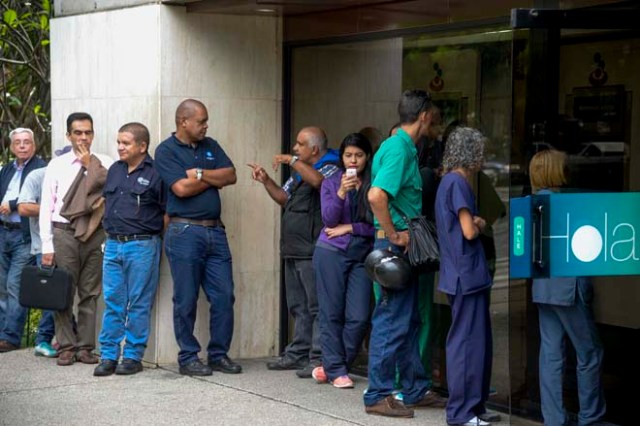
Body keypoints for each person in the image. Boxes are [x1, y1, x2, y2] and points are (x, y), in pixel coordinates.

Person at [364, 89, 446, 418]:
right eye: (433, 117)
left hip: (399, 247)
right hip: (394, 247)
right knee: (391, 320)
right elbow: (376, 196)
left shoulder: (403, 146)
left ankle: (413, 388)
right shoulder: (398, 148)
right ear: (424, 115)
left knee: (409, 320)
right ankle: (378, 395)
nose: (434, 123)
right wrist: (394, 233)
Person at [154, 99, 241, 377]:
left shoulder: (211, 145)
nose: (205, 126)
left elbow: (231, 175)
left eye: (206, 121)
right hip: (184, 232)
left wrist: (201, 174)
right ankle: (188, 357)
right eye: (201, 121)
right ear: (183, 121)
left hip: (216, 231)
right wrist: (212, 179)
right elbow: (180, 188)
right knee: (186, 298)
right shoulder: (166, 151)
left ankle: (218, 354)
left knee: (224, 295)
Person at [247, 126, 339, 378]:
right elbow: (284, 197)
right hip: (293, 248)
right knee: (298, 306)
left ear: (315, 150)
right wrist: (266, 179)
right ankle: (298, 352)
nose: (295, 148)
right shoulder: (299, 173)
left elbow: (319, 183)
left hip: (312, 249)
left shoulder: (330, 167)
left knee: (316, 306)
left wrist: (292, 161)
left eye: (300, 144)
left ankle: (317, 357)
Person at [529, 149, 606, 426]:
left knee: (550, 355)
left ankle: (554, 419)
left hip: (543, 289)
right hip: (568, 290)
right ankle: (591, 418)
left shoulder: (531, 204)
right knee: (590, 353)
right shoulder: (569, 204)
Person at [40, 113, 114, 366]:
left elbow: (111, 195)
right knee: (64, 291)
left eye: (88, 132)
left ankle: (85, 347)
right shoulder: (57, 165)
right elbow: (46, 208)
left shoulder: (105, 162)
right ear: (68, 135)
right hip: (64, 233)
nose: (83, 137)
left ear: (93, 134)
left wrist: (90, 165)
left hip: (95, 233)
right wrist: (47, 245)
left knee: (90, 293)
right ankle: (66, 346)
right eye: (78, 132)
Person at [93, 123, 165, 377]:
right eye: (119, 142)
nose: (120, 147)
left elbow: (166, 212)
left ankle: (133, 356)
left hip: (142, 245)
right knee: (113, 302)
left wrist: (153, 239)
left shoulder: (157, 172)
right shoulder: (114, 170)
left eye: (126, 143)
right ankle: (109, 355)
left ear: (142, 146)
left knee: (138, 303)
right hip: (112, 245)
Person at [434, 127, 494, 426]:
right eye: (479, 150)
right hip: (466, 275)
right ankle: (462, 412)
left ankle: (472, 406)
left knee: (470, 341)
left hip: (460, 273)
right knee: (467, 343)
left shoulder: (448, 181)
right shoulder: (457, 183)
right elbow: (469, 230)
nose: (483, 156)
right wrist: (480, 222)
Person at [311, 133, 374, 389]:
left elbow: (376, 225)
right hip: (331, 252)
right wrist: (340, 193)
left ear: (367, 157)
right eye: (348, 155)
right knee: (331, 312)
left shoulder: (373, 183)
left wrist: (350, 227)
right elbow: (328, 220)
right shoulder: (331, 181)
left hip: (360, 255)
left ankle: (332, 365)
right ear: (342, 157)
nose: (353, 160)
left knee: (359, 316)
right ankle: (337, 370)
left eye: (359, 155)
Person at [17, 146, 76, 358]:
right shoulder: (39, 175)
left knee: (64, 292)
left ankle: (66, 338)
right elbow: (24, 207)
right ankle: (43, 339)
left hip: (71, 241)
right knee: (53, 293)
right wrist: (53, 208)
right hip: (45, 244)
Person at [0, 128, 46, 353]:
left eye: (26, 142)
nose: (22, 146)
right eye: (17, 142)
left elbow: (44, 199)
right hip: (3, 232)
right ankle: (2, 332)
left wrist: (14, 204)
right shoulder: (7, 169)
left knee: (14, 285)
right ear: (11, 147)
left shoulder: (41, 169)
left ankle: (10, 337)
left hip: (25, 234)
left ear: (34, 146)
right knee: (1, 286)